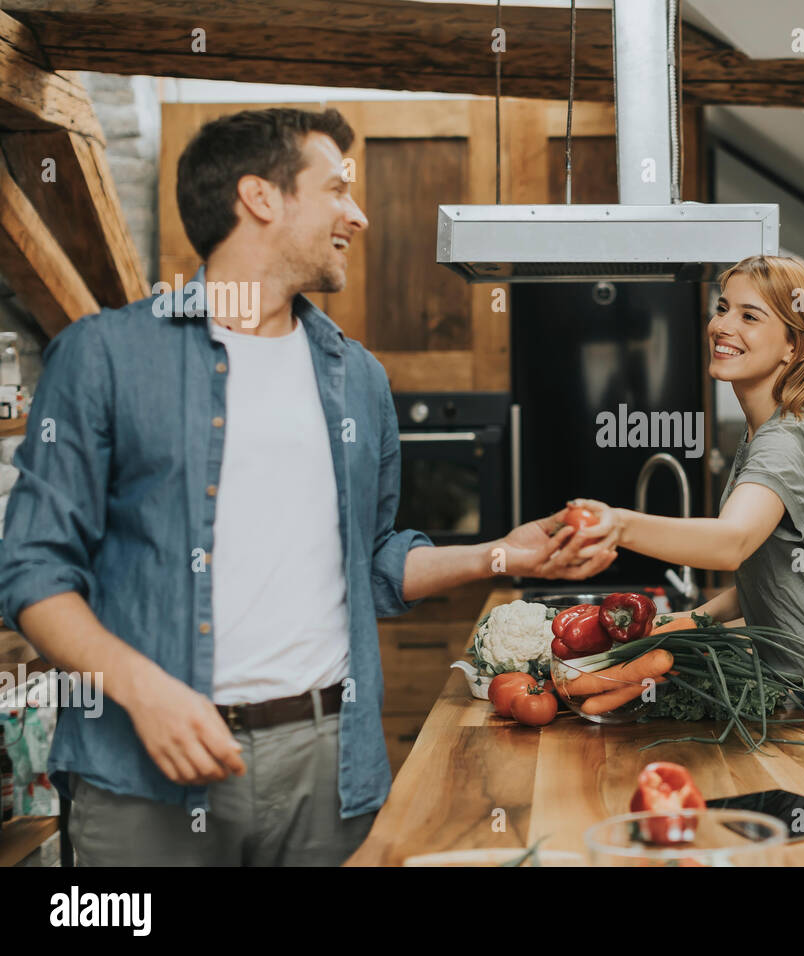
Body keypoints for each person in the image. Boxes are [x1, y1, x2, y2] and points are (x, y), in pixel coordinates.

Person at [0, 107, 615, 866]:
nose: (357, 215)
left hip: (330, 764)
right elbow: (32, 571)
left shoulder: (357, 377)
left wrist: (502, 555)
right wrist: (141, 691)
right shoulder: (106, 358)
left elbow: (375, 563)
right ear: (261, 197)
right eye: (336, 190)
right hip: (142, 771)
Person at [570, 255, 804, 831]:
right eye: (723, 308)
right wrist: (689, 621)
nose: (724, 326)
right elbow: (768, 579)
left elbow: (730, 545)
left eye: (751, 316)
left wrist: (621, 525)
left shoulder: (788, 442)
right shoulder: (768, 435)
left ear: (794, 348)